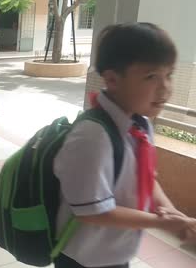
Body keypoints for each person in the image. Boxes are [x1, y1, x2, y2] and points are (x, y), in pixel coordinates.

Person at [53, 23, 196, 268]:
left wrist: (172, 214)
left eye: (169, 74)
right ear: (112, 79)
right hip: (84, 259)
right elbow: (94, 212)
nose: (165, 88)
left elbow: (147, 178)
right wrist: (159, 222)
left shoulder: (139, 124)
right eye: (151, 76)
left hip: (116, 253)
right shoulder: (92, 136)